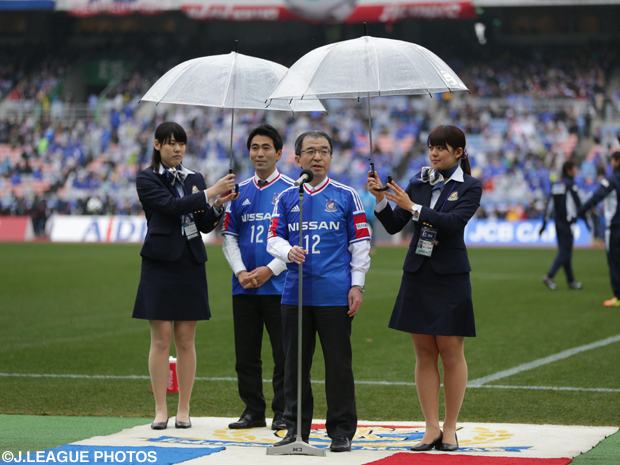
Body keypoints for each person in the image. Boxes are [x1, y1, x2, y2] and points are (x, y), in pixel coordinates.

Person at [367, 125, 482, 452]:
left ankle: (449, 429)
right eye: (431, 147)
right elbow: (393, 226)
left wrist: (412, 206)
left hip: (450, 276)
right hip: (418, 272)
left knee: (450, 352)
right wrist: (381, 200)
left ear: (458, 152)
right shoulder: (419, 182)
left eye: (441, 148)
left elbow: (451, 224)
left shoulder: (471, 186)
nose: (434, 153)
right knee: (424, 352)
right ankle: (430, 429)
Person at [266, 130, 371, 452]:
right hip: (295, 295)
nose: (317, 157)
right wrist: (286, 252)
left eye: (324, 151)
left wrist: (357, 285)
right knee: (294, 366)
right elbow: (272, 238)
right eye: (310, 151)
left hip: (334, 294)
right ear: (297, 159)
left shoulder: (345, 195)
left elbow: (360, 243)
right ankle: (296, 428)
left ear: (331, 157)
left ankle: (341, 431)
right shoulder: (285, 197)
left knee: (338, 365)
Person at [132, 122, 237, 430]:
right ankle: (160, 409)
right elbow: (172, 206)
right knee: (161, 339)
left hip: (190, 261)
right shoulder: (146, 178)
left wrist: (217, 204)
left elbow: (204, 226)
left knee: (186, 341)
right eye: (170, 143)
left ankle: (184, 410)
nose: (177, 149)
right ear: (156, 145)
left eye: (181, 143)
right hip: (159, 264)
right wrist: (210, 192)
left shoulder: (194, 178)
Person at [222, 124, 290, 431]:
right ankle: (252, 410)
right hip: (244, 287)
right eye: (254, 148)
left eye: (266, 148)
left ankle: (283, 412)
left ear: (278, 153)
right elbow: (229, 236)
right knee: (246, 356)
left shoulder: (291, 191)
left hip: (280, 287)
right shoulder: (238, 192)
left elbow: (297, 240)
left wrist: (269, 269)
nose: (259, 153)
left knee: (283, 356)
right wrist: (240, 271)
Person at [577, 151, 620, 307]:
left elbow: (595, 197)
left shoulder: (612, 180)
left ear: (617, 161)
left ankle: (618, 297)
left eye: (613, 160)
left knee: (615, 262)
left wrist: (579, 212)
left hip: (615, 228)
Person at [540, 160, 584, 290]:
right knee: (565, 252)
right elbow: (579, 205)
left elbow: (550, 206)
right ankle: (549, 276)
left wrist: (544, 224)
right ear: (569, 171)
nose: (576, 171)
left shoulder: (556, 185)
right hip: (567, 223)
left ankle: (571, 281)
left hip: (557, 223)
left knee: (566, 253)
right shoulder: (571, 185)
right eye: (574, 169)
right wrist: (586, 221)